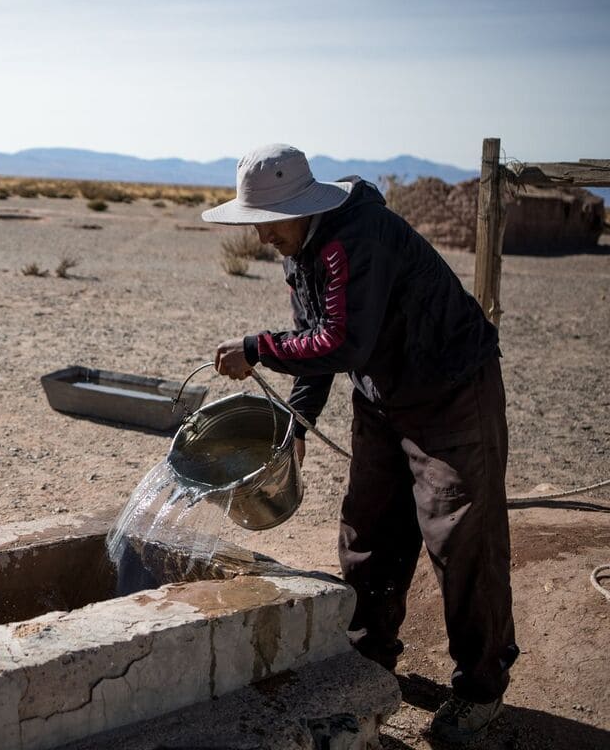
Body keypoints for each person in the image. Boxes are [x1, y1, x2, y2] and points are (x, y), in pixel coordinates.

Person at [202, 144, 518, 744]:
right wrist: (297, 424)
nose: (262, 236)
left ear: (301, 207)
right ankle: (369, 653)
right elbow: (315, 339)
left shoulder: (356, 239)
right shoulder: (301, 249)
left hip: (451, 388)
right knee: (369, 527)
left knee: (460, 536)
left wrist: (256, 348)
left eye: (268, 222)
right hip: (381, 395)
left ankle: (481, 687)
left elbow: (341, 342)